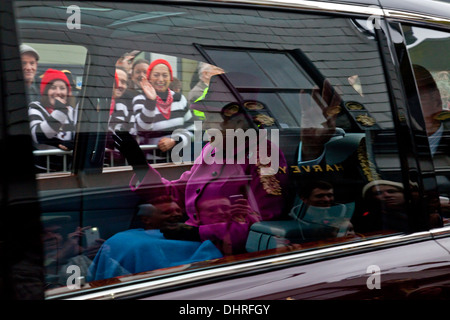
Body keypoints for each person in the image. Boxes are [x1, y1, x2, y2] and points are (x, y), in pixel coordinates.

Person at [113, 78, 289, 254]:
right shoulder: (211, 149)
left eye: (212, 118)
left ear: (240, 123)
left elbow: (263, 226)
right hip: (194, 242)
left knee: (135, 250)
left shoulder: (264, 155)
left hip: (222, 251)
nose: (205, 124)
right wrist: (140, 166)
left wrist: (198, 233)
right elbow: (176, 195)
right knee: (121, 243)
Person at [88, 196, 222, 281]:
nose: (175, 215)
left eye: (177, 211)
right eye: (167, 212)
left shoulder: (193, 236)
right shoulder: (128, 240)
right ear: (146, 220)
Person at [133, 59, 194, 162]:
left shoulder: (179, 98)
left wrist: (174, 140)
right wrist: (151, 101)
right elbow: (143, 129)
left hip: (179, 161)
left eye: (165, 75)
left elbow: (193, 129)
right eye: (156, 75)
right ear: (149, 78)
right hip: (152, 163)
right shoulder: (140, 99)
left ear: (170, 78)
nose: (160, 79)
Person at [28, 68, 77, 172]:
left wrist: (74, 144)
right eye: (53, 87)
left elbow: (79, 135)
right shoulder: (35, 107)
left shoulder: (72, 111)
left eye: (62, 88)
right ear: (45, 91)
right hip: (41, 173)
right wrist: (60, 112)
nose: (58, 92)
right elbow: (38, 135)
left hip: (66, 173)